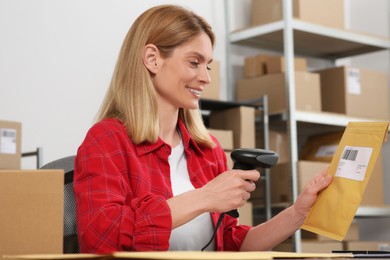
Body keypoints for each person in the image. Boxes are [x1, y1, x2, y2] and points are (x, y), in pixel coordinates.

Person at [74, 4, 332, 253]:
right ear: (152, 59)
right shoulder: (107, 140)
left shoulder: (207, 150)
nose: (206, 78)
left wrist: (297, 213)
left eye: (207, 65)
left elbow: (228, 244)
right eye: (194, 62)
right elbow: (101, 238)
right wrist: (205, 197)